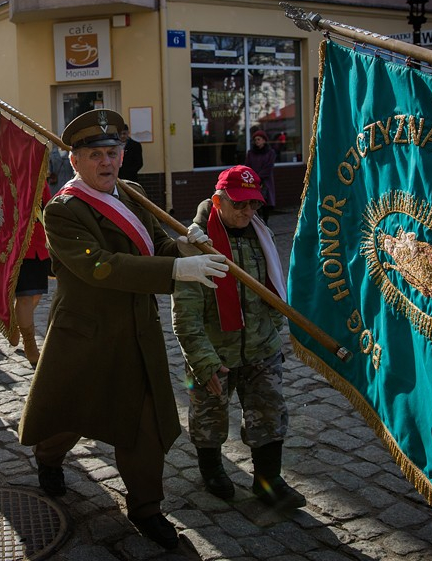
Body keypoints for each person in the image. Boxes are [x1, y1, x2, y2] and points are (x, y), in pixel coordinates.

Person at [17, 108, 229, 550]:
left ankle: (146, 507)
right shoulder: (63, 210)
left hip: (136, 330)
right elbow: (101, 267)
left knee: (144, 421)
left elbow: (156, 245)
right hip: (85, 333)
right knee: (68, 411)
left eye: (112, 152)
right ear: (74, 161)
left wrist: (186, 245)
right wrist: (177, 267)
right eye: (95, 154)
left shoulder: (131, 193)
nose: (106, 162)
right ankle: (49, 458)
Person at [171, 165, 305, 511]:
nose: (248, 212)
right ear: (218, 200)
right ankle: (212, 468)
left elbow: (274, 291)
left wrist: (270, 331)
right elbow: (185, 316)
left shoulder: (261, 235)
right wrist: (204, 362)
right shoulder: (194, 245)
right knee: (208, 417)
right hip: (214, 352)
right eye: (239, 205)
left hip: (261, 349)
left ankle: (268, 481)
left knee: (270, 413)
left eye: (254, 205)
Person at [9, 182, 51, 368]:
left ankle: (17, 322)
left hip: (40, 242)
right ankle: (29, 345)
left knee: (36, 294)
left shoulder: (39, 174)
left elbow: (47, 205)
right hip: (17, 244)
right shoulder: (5, 170)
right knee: (25, 296)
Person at [245, 130, 277, 223]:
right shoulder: (251, 153)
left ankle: (265, 221)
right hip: (253, 181)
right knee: (254, 201)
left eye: (259, 139)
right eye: (255, 140)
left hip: (265, 181)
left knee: (265, 201)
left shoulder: (270, 153)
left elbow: (269, 166)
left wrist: (260, 178)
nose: (257, 141)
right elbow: (248, 166)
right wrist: (253, 178)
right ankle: (256, 221)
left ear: (264, 140)